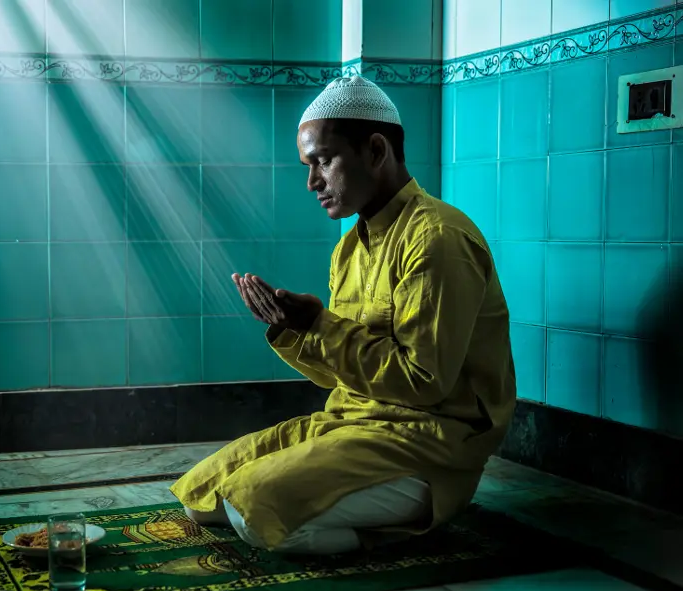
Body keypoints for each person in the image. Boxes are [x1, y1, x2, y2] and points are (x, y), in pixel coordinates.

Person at [170, 76, 516, 555]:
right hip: (355, 424)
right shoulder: (351, 247)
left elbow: (425, 383)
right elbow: (343, 377)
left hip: (428, 445)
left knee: (252, 513)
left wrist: (321, 325)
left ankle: (420, 523)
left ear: (375, 151)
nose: (312, 182)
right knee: (202, 497)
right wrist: (296, 329)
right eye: (308, 165)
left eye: (322, 161)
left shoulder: (436, 240)